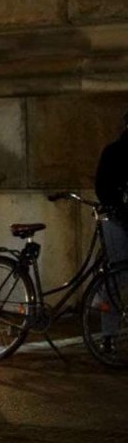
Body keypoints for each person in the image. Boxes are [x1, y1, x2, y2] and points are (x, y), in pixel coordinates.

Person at [94, 111, 128, 350]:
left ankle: (109, 333)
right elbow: (103, 188)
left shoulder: (113, 151)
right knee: (118, 273)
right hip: (117, 219)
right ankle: (108, 332)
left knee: (118, 273)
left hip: (117, 217)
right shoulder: (115, 152)